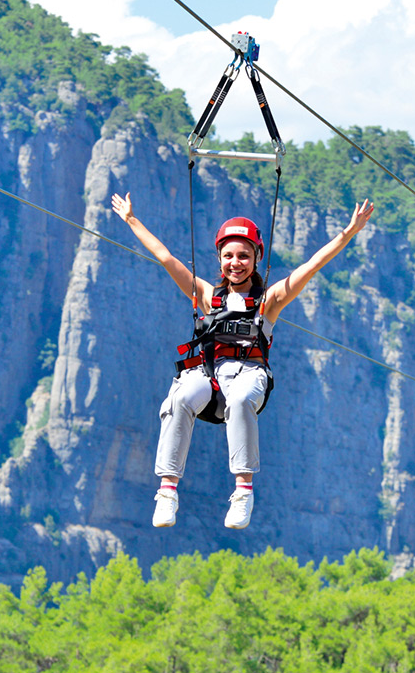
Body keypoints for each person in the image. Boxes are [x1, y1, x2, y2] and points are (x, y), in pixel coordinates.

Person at [110, 192, 375, 530]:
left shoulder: (270, 300)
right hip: (211, 375)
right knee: (179, 397)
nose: (236, 263)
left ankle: (243, 490)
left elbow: (312, 266)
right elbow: (166, 258)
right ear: (219, 259)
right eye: (229, 256)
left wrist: (348, 233)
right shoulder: (208, 296)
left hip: (250, 375)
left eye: (244, 256)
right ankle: (167, 490)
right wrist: (132, 219)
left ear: (256, 258)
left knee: (239, 399)